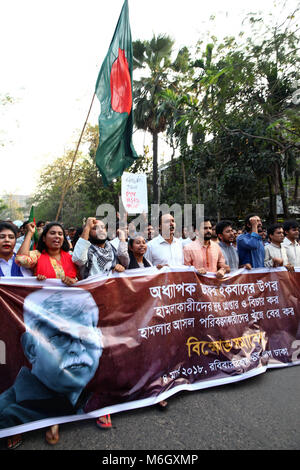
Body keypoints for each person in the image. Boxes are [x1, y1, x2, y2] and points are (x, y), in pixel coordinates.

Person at [0, 289, 103, 441]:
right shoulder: (8, 416)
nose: (78, 348)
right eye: (60, 336)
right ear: (31, 348)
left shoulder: (96, 398)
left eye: (86, 335)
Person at [15, 221, 78, 445]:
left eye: (60, 233)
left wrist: (74, 281)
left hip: (71, 321)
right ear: (44, 237)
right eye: (52, 233)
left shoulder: (73, 258)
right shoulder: (36, 256)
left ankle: (56, 417)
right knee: (48, 367)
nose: (57, 237)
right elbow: (20, 260)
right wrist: (29, 234)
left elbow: (87, 283)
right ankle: (50, 420)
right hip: (44, 323)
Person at [72, 217, 127, 429]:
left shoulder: (111, 247)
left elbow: (124, 259)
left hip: (113, 305)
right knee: (96, 353)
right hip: (90, 307)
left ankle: (110, 397)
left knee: (114, 351)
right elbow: (78, 260)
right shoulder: (84, 248)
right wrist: (86, 227)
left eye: (104, 227)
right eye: (96, 228)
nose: (101, 230)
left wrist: (120, 266)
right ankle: (96, 402)